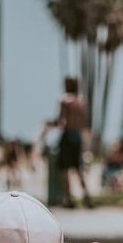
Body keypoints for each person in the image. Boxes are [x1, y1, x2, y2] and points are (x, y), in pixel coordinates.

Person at [48, 76, 92, 208]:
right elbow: (84, 123)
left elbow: (62, 121)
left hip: (67, 136)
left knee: (64, 169)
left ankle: (69, 198)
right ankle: (87, 196)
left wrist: (50, 123)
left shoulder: (65, 100)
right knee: (78, 169)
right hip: (78, 136)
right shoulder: (81, 102)